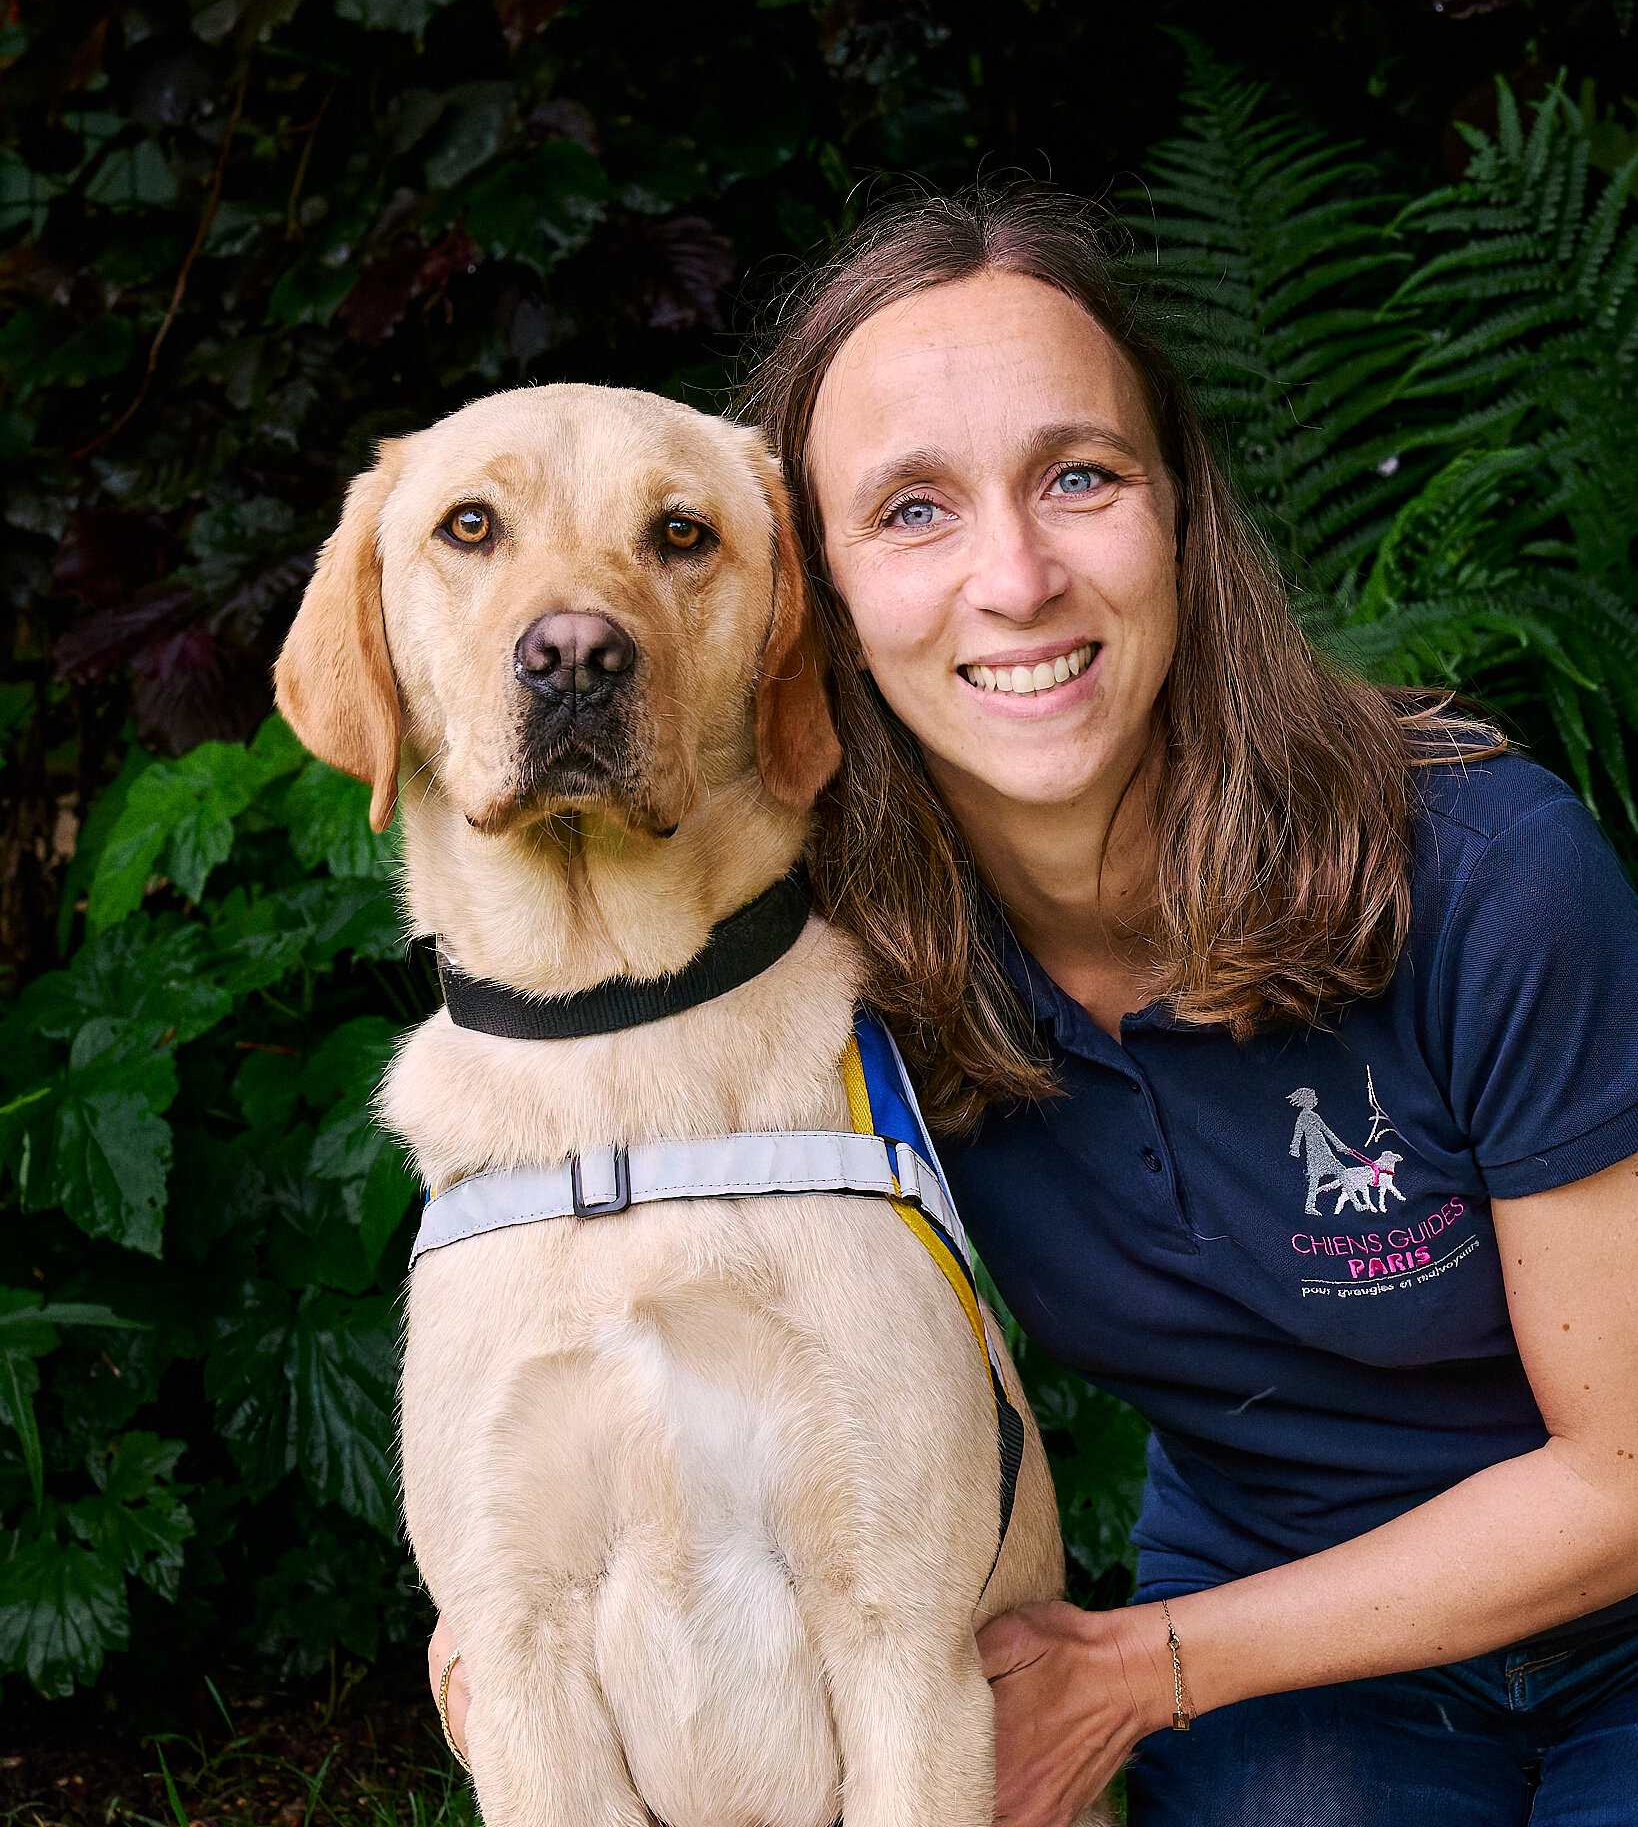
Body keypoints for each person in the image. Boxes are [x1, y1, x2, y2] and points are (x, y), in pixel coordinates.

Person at [430, 187, 1638, 1823]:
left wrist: (1139, 1671)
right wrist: (519, 1608)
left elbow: (1627, 1477)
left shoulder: (1492, 877)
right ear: (809, 604)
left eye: (1078, 477)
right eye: (912, 510)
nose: (1013, 576)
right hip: (1298, 1632)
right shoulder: (820, 968)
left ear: (1181, 518)